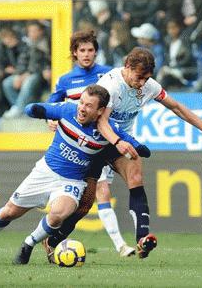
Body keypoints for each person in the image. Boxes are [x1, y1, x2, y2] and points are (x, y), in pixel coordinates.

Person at [45, 47, 202, 259]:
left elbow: (176, 107)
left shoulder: (148, 86)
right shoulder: (110, 85)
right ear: (127, 67)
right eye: (140, 77)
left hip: (120, 143)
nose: (142, 83)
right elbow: (102, 122)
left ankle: (142, 239)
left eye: (147, 78)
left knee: (136, 175)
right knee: (85, 204)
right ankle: (52, 240)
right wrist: (117, 142)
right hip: (96, 141)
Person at [0, 85, 150, 265]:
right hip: (44, 172)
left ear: (100, 111)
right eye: (81, 102)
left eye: (89, 106)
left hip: (72, 182)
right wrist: (38, 111)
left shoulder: (109, 131)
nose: (82, 108)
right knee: (8, 212)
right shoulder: (67, 110)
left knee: (58, 214)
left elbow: (134, 143)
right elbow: (33, 108)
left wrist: (139, 148)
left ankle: (28, 244)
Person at [45, 30, 136, 258]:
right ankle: (53, 239)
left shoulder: (107, 75)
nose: (87, 54)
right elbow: (52, 103)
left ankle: (119, 245)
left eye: (91, 50)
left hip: (104, 142)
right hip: (78, 147)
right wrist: (50, 119)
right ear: (74, 53)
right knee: (88, 202)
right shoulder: (66, 80)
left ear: (96, 51)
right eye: (82, 50)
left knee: (96, 197)